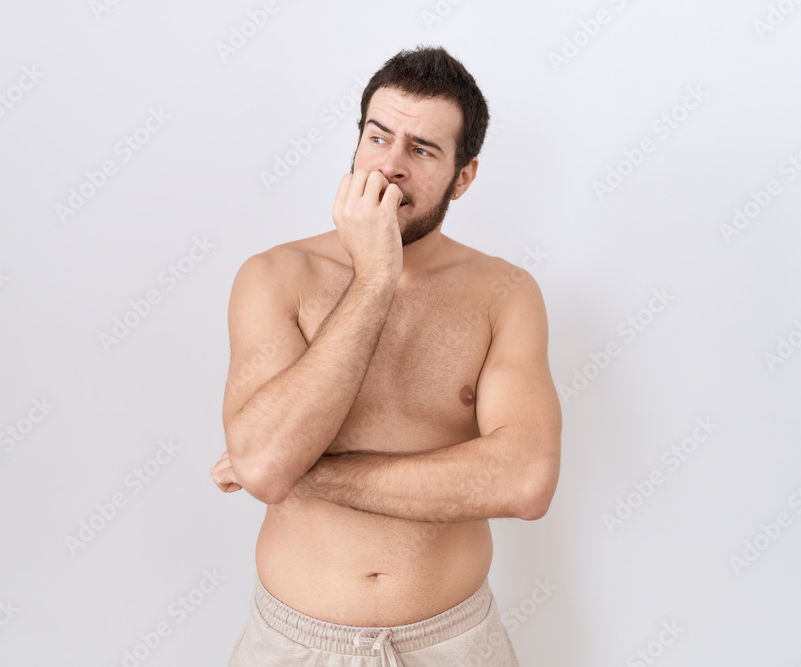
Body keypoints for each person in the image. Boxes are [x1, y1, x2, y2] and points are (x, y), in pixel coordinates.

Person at [213, 45, 561, 666]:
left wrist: (308, 472)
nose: (391, 165)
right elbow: (264, 465)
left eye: (422, 150)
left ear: (463, 176)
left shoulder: (504, 293)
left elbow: (525, 479)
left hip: (453, 643)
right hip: (294, 645)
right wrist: (374, 278)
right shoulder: (275, 276)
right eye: (378, 137)